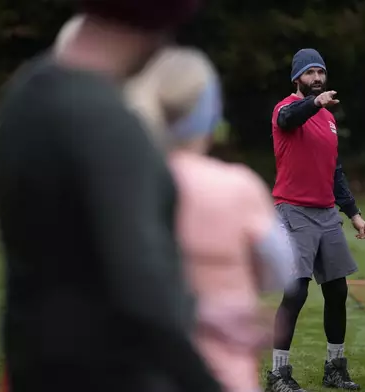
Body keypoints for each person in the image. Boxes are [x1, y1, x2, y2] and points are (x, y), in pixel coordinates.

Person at [0, 1, 222, 391]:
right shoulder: (109, 124)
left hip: (36, 365)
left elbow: (78, 263)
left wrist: (200, 313)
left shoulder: (26, 93)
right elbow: (142, 294)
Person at [125, 47, 296, 392]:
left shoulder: (120, 185)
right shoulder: (238, 186)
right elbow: (281, 270)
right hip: (224, 375)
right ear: (212, 113)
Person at [264, 48, 365, 392]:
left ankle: (335, 368)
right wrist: (314, 103)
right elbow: (288, 120)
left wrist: (354, 214)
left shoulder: (328, 119)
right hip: (293, 209)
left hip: (327, 213)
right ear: (297, 78)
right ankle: (278, 374)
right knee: (295, 292)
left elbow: (334, 171)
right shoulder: (287, 108)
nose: (317, 79)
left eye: (321, 73)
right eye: (310, 73)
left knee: (337, 291)